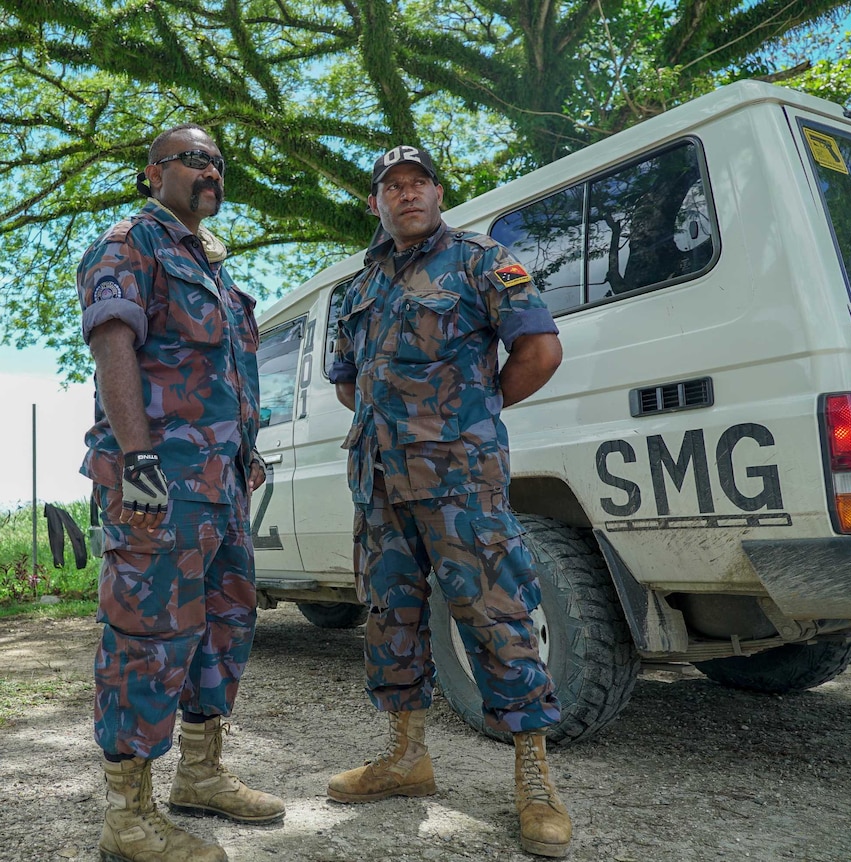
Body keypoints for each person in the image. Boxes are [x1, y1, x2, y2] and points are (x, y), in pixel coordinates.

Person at [328, 145, 571, 858]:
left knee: (496, 614)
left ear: (437, 192)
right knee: (389, 618)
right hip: (378, 485)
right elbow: (348, 379)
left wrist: (472, 413)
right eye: (392, 187)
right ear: (376, 202)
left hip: (460, 482)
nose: (407, 195)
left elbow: (540, 352)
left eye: (419, 183)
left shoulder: (478, 259)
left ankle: (534, 781)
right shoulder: (359, 285)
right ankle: (406, 759)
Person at [77, 123, 284, 862]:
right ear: (152, 172)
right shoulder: (130, 243)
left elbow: (227, 379)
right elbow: (112, 343)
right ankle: (127, 816)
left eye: (218, 164)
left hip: (220, 485)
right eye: (194, 160)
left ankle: (200, 774)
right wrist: (137, 461)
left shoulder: (219, 273)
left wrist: (245, 456)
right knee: (146, 634)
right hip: (157, 483)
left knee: (224, 628)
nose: (210, 172)